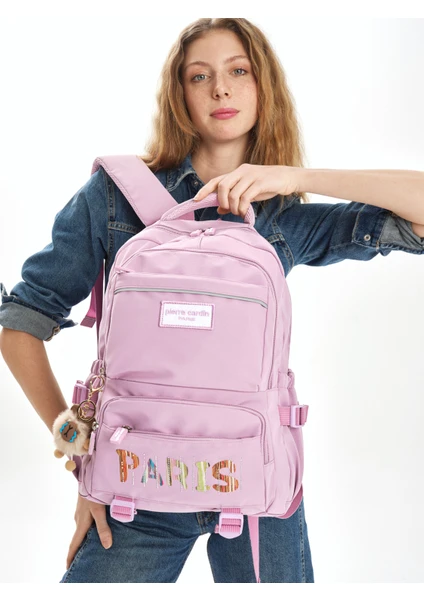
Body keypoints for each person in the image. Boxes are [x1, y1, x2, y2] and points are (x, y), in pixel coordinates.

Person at [0, 18, 423, 584]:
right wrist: (80, 454)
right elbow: (20, 324)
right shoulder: (115, 196)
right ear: (180, 95)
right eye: (200, 76)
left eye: (238, 71)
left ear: (264, 87)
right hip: (136, 484)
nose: (220, 88)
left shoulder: (283, 214)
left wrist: (293, 175)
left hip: (257, 490)